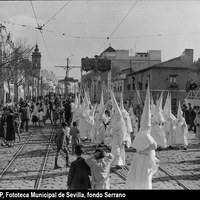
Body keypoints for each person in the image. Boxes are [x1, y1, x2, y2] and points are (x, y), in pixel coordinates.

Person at [125, 83, 159, 189]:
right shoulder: (148, 136)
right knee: (145, 178)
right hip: (145, 160)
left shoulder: (139, 133)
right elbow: (154, 146)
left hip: (138, 158)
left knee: (137, 177)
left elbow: (136, 145)